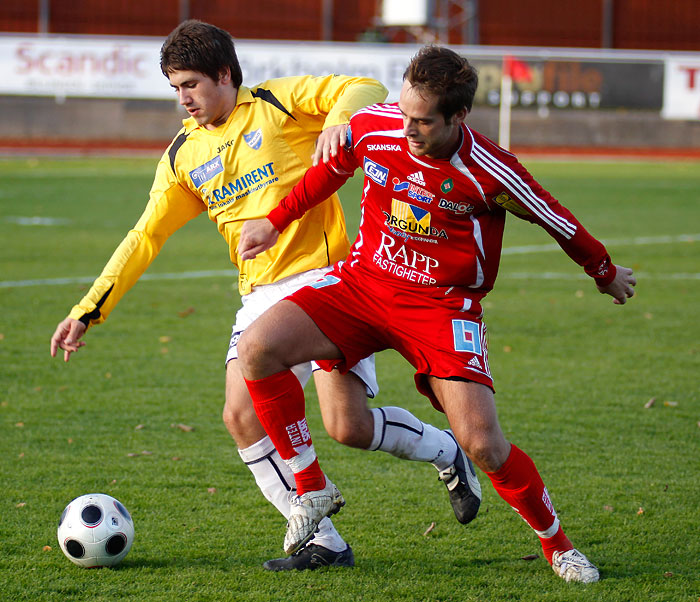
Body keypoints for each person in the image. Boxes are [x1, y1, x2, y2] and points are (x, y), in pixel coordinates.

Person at [49, 23, 482, 571]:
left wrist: (340, 123)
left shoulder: (278, 103)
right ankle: (322, 538)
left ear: (225, 75)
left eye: (191, 84)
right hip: (260, 296)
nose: (183, 98)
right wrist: (88, 308)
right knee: (242, 415)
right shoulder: (184, 155)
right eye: (174, 87)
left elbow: (367, 87)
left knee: (346, 427)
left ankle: (447, 453)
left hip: (329, 282)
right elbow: (146, 235)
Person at [237, 45, 637, 582]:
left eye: (423, 121)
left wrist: (604, 271)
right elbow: (330, 169)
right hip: (363, 285)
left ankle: (557, 545)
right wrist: (275, 219)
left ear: (458, 117)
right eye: (404, 113)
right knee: (257, 349)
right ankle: (311, 488)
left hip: (442, 308)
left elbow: (555, 219)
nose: (407, 129)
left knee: (484, 443)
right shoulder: (377, 127)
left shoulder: (491, 171)